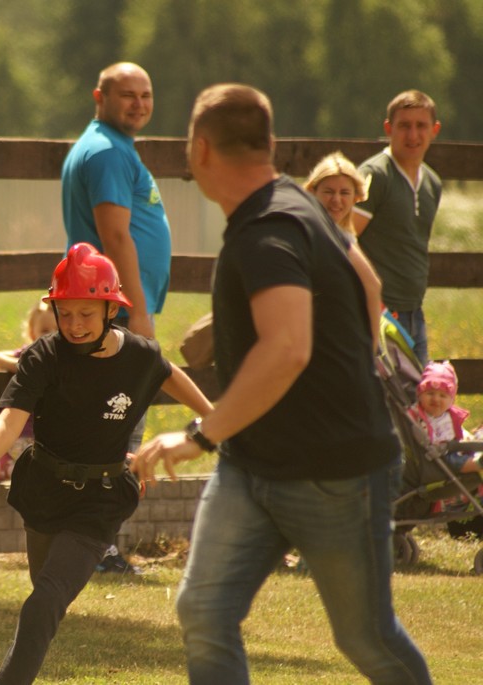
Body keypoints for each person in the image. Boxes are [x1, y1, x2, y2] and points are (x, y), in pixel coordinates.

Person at [135, 83, 432, 684]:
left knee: (366, 637)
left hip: (335, 474)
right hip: (254, 466)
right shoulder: (298, 204)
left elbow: (288, 347)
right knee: (205, 609)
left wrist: (199, 434)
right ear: (267, 144)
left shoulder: (265, 229)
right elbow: (371, 291)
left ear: (199, 149)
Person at [0, 243, 213, 684]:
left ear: (109, 311)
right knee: (44, 595)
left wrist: (212, 418)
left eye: (86, 314)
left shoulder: (139, 355)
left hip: (100, 499)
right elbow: (10, 419)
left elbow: (170, 375)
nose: (75, 325)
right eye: (66, 314)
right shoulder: (45, 354)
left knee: (44, 600)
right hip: (43, 487)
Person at [62, 62, 171, 342]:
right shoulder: (108, 153)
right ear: (100, 97)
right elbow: (115, 236)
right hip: (113, 306)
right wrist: (136, 312)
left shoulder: (109, 146)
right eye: (127, 95)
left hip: (110, 303)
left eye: (145, 96)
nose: (139, 104)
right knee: (120, 387)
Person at [353, 90, 442, 366]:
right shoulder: (375, 175)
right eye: (404, 126)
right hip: (377, 314)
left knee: (419, 402)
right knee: (383, 402)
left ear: (434, 130)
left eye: (421, 126)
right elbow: (344, 240)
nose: (412, 135)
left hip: (414, 311)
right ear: (388, 128)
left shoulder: (432, 182)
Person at [0, 299, 57, 483]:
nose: (51, 337)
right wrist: (20, 366)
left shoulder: (62, 358)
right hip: (21, 434)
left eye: (57, 331)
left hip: (47, 437)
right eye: (45, 331)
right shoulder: (30, 354)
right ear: (33, 332)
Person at [409, 361, 483, 475]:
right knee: (454, 461)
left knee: (474, 442)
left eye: (442, 395)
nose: (436, 399)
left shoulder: (449, 415)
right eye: (430, 393)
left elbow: (460, 433)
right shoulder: (416, 414)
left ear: (451, 401)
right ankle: (478, 463)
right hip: (437, 457)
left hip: (456, 447)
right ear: (420, 394)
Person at [303, 151, 367, 235]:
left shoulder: (347, 238)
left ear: (355, 197)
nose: (336, 199)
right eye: (329, 192)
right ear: (312, 193)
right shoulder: (303, 233)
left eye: (344, 193)